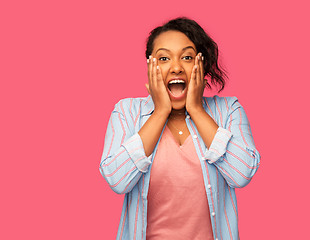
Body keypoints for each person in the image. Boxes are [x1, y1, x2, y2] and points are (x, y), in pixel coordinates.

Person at [99, 17, 261, 240]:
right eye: (164, 58)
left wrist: (196, 109)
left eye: (187, 57)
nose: (176, 67)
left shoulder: (228, 110)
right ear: (150, 66)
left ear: (201, 65)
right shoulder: (126, 111)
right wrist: (159, 113)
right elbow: (117, 181)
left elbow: (242, 174)